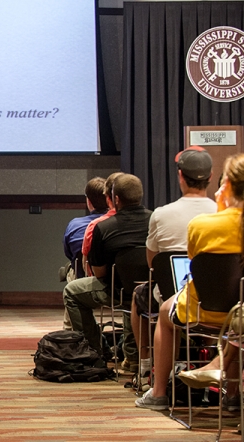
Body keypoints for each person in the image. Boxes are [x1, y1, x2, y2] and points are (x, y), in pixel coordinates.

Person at [136, 153, 244, 410]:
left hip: (204, 310)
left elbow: (201, 268)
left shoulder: (203, 225)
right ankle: (231, 395)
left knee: (164, 312)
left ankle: (159, 392)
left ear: (225, 184)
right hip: (238, 312)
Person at [130, 147, 216, 377]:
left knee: (140, 294)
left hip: (174, 298)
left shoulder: (161, 214)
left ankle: (147, 363)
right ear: (210, 176)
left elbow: (153, 264)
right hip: (219, 301)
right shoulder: (223, 213)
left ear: (180, 176)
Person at [64, 173, 152, 363]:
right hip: (151, 291)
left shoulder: (104, 228)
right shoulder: (155, 221)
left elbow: (99, 273)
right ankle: (134, 357)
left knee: (71, 291)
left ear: (115, 199)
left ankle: (96, 351)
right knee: (135, 295)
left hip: (118, 292)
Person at [61, 177, 108, 329]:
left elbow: (69, 253)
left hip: (85, 281)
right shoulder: (119, 224)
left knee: (72, 269)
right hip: (120, 284)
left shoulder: (75, 225)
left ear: (88, 201)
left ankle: (71, 330)